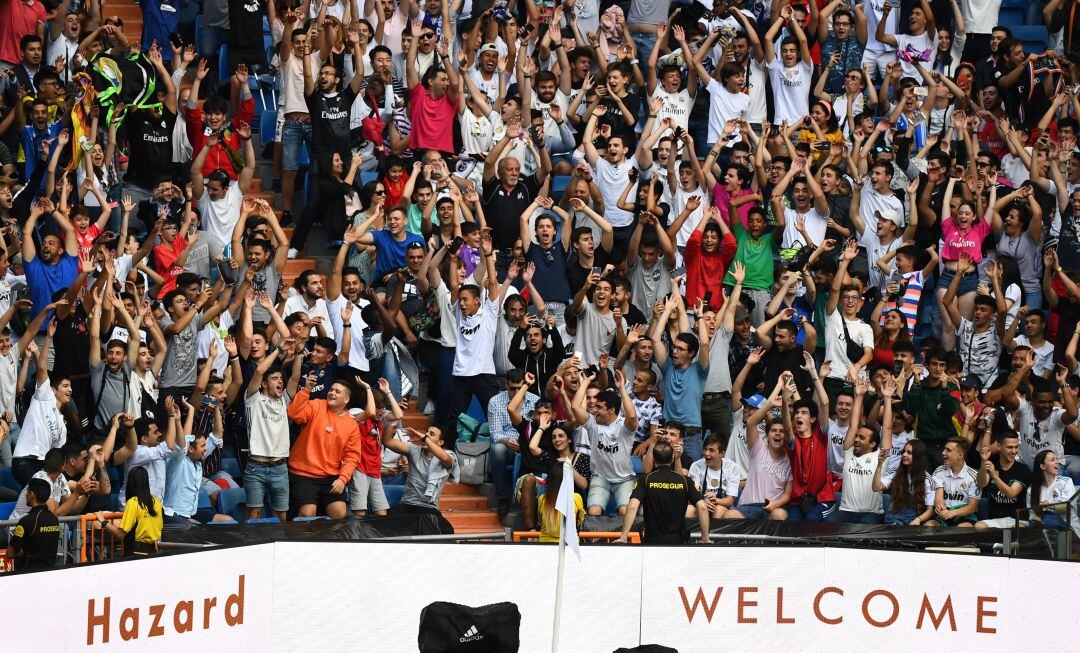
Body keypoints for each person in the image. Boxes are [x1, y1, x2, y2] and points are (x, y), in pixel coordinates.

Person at [286, 375, 363, 519]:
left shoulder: (352, 424)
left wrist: (343, 479)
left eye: (337, 392)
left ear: (346, 400)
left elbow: (352, 456)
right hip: (303, 474)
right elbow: (294, 414)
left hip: (331, 477)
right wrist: (306, 390)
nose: (332, 393)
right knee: (307, 513)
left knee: (339, 513)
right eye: (331, 390)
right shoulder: (316, 405)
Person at [616, 441, 711, 545]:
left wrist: (624, 537)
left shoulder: (646, 480)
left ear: (654, 460)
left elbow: (633, 506)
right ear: (672, 458)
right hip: (678, 542)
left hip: (651, 542)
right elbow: (702, 507)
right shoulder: (685, 481)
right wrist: (705, 539)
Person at [572, 369, 638, 516]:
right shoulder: (592, 424)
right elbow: (575, 407)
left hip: (624, 480)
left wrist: (621, 389)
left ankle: (623, 539)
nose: (595, 410)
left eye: (599, 407)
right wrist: (586, 382)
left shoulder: (624, 427)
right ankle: (595, 540)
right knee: (594, 512)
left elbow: (632, 416)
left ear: (612, 410)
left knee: (625, 511)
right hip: (600, 478)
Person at [382, 423, 459, 534]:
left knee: (447, 532)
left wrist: (423, 437)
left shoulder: (449, 455)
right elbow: (387, 441)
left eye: (431, 434)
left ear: (440, 442)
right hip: (407, 505)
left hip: (429, 509)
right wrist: (392, 421)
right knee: (390, 523)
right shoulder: (414, 450)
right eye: (426, 432)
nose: (426, 435)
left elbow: (444, 458)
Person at [96, 466, 163, 557]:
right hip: (153, 551)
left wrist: (103, 521)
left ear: (131, 483)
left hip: (135, 552)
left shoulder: (133, 502)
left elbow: (120, 534)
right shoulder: (156, 501)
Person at [975, 430, 1031, 529]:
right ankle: (995, 545)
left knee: (1018, 529)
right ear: (999, 446)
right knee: (979, 526)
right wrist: (984, 461)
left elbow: (1011, 493)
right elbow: (982, 483)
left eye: (1016, 447)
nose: (1014, 451)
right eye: (1010, 447)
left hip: (1017, 520)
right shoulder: (993, 464)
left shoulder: (1023, 469)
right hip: (995, 519)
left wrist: (995, 477)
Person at [6, 478, 61, 571]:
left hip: (30, 574)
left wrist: (21, 552)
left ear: (32, 494)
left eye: (27, 492)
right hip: (51, 572)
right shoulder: (54, 519)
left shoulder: (26, 521)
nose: (26, 495)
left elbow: (10, 553)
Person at [930, 438, 981, 527]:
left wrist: (952, 513)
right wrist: (939, 506)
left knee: (962, 528)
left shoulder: (974, 476)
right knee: (929, 525)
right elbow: (938, 498)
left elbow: (972, 507)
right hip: (943, 515)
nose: (943, 453)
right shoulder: (939, 471)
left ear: (960, 456)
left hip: (964, 517)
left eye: (948, 450)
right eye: (944, 449)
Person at [538, 461, 585, 543]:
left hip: (544, 544)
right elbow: (580, 522)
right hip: (570, 544)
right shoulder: (576, 498)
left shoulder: (542, 499)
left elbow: (541, 522)